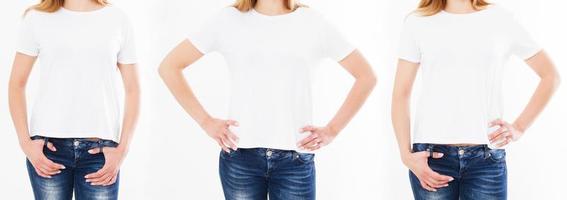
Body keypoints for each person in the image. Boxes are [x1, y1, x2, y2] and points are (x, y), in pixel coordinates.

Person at [158, 0, 376, 199]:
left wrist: (332, 129)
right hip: (240, 158)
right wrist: (205, 121)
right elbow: (169, 67)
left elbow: (366, 76)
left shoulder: (313, 22)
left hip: (296, 160)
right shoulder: (228, 19)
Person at [391, 0, 560, 199]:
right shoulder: (418, 22)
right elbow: (401, 94)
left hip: (486, 159)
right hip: (431, 159)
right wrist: (406, 155)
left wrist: (520, 127)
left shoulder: (501, 19)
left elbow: (550, 76)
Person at [8, 0, 140, 199]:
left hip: (100, 152)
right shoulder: (36, 17)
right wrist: (25, 143)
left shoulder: (117, 19)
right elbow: (16, 84)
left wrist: (123, 149)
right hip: (48, 150)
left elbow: (133, 89)